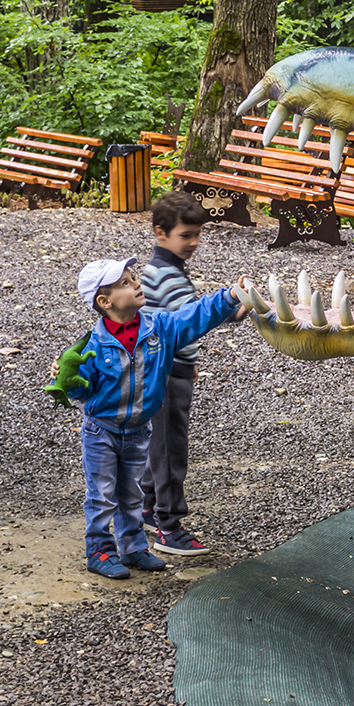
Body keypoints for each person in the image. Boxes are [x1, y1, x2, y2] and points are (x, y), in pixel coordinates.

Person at [72, 256, 246, 579]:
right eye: (125, 283)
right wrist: (67, 379)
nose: (136, 283)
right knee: (102, 495)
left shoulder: (159, 330)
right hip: (102, 433)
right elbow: (79, 392)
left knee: (132, 492)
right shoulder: (91, 347)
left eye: (133, 277)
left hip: (138, 431)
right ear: (104, 301)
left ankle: (134, 547)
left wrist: (229, 297)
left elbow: (193, 317)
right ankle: (99, 550)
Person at [140, 192, 214, 555]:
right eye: (186, 235)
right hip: (168, 376)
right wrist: (234, 307)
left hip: (167, 368)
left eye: (197, 234)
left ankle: (149, 508)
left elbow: (161, 326)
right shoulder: (167, 276)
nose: (194, 242)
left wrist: (189, 361)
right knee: (171, 449)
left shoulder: (157, 271)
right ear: (161, 233)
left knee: (159, 445)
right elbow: (191, 319)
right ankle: (169, 528)